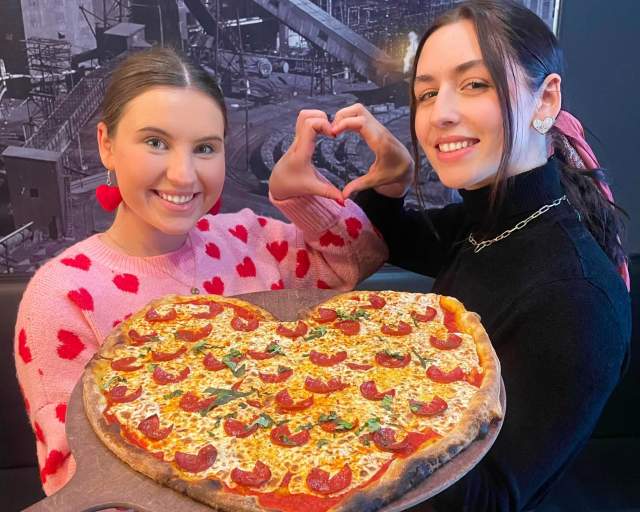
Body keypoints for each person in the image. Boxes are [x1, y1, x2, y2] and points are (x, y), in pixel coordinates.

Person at [275, 0, 632, 510]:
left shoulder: (577, 300)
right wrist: (392, 179)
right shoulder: (492, 218)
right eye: (426, 92)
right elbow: (402, 238)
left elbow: (486, 499)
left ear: (546, 100)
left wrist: (348, 399)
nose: (440, 113)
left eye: (475, 84)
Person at [13, 47, 387, 496]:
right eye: (156, 142)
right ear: (106, 145)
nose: (183, 174)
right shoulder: (62, 296)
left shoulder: (249, 239)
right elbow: (82, 484)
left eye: (206, 148)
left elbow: (359, 256)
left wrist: (294, 193)